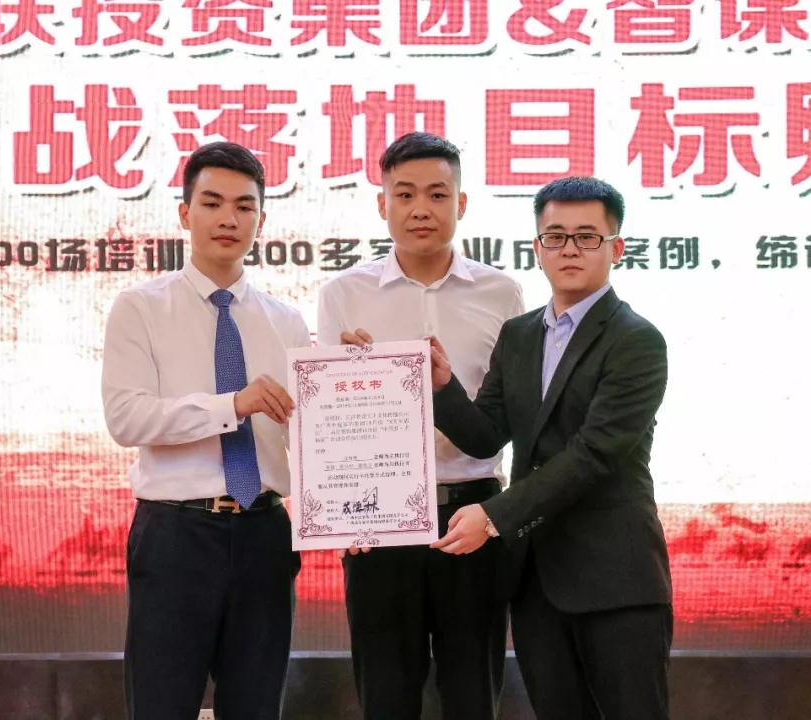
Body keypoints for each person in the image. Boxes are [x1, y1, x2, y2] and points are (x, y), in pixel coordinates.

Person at [428, 176, 673, 719]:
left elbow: (594, 454)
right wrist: (444, 388)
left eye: (587, 237)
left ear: (617, 248)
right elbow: (486, 435)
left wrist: (495, 514)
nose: (570, 249)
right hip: (536, 580)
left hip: (616, 579)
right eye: (555, 236)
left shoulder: (636, 340)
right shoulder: (518, 334)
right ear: (537, 248)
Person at [317, 132, 524, 720]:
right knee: (386, 695)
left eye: (437, 194)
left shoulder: (502, 292)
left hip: (472, 518)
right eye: (404, 194)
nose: (420, 209)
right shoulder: (343, 294)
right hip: (377, 522)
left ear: (462, 203)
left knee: (472, 695)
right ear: (382, 203)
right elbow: (327, 423)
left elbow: (507, 415)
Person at [102, 142, 308, 719]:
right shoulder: (140, 308)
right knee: (162, 704)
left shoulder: (286, 321)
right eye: (212, 203)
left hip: (265, 532)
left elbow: (311, 435)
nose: (228, 219)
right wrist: (231, 405)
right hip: (176, 535)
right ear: (184, 212)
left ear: (261, 220)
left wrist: (355, 378)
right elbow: (127, 418)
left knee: (256, 706)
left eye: (244, 206)